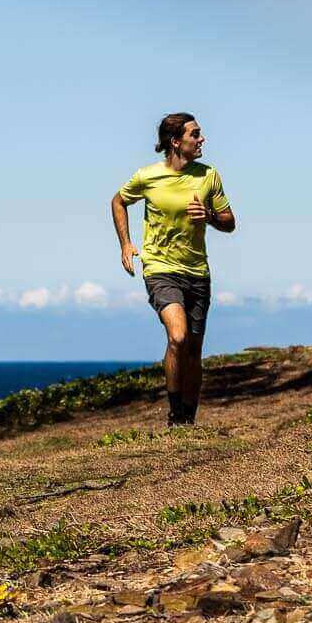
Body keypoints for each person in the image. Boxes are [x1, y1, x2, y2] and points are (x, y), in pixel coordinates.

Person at [111, 112, 234, 426]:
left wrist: (207, 215)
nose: (202, 139)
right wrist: (126, 244)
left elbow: (230, 222)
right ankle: (175, 411)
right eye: (195, 135)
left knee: (193, 350)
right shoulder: (148, 176)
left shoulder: (209, 176)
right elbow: (118, 201)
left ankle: (188, 419)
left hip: (197, 271)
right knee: (177, 337)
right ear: (175, 142)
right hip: (160, 268)